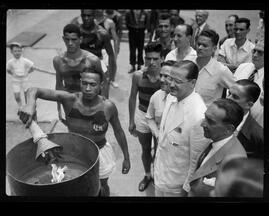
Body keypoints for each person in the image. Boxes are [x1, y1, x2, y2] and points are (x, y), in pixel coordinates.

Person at [18, 67, 131, 197]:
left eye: (93, 84)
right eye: (84, 83)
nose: (88, 88)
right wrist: (30, 104)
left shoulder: (108, 107)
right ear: (80, 82)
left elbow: (119, 132)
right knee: (77, 186)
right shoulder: (69, 99)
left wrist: (127, 158)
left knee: (102, 185)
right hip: (75, 152)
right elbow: (33, 90)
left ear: (101, 85)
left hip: (101, 153)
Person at [154, 60, 208, 197]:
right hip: (160, 173)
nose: (171, 84)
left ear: (192, 83)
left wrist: (187, 188)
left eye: (177, 81)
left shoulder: (198, 116)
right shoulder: (172, 97)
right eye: (170, 78)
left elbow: (196, 159)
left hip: (176, 185)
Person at [187, 98, 246, 197]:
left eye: (210, 121)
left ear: (228, 129)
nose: (202, 124)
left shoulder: (235, 163)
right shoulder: (216, 139)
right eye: (205, 117)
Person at [53, 24, 104, 123]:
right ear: (63, 39)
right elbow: (59, 85)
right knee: (73, 132)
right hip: (69, 102)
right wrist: (59, 107)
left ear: (80, 39)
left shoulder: (92, 60)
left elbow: (103, 84)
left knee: (91, 132)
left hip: (90, 102)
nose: (70, 43)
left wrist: (103, 107)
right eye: (67, 39)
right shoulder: (58, 60)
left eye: (74, 39)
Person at [128, 42, 162, 192]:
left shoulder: (166, 76)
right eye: (148, 58)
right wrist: (131, 121)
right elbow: (132, 97)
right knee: (146, 148)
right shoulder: (137, 76)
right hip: (142, 115)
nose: (152, 62)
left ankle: (158, 175)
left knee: (160, 149)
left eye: (155, 58)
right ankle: (148, 175)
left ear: (161, 58)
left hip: (160, 118)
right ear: (144, 58)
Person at [71, 9, 117, 92]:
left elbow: (111, 54)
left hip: (97, 69)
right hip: (81, 69)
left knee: (101, 99)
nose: (86, 18)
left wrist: (109, 75)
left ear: (94, 16)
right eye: (84, 15)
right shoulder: (77, 32)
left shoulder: (102, 33)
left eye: (89, 15)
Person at [195, 29, 235, 107]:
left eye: (204, 45)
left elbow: (237, 90)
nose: (200, 47)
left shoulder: (221, 70)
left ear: (214, 49)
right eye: (198, 44)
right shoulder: (189, 63)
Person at [145, 60, 175, 160]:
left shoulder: (182, 100)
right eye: (161, 75)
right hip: (159, 148)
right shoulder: (156, 96)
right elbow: (149, 117)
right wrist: (157, 134)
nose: (161, 79)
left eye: (166, 76)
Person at [6, 42, 50, 109]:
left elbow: (32, 67)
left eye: (19, 51)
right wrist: (13, 73)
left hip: (24, 80)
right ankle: (20, 106)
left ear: (22, 51)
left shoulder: (25, 60)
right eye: (15, 51)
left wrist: (27, 72)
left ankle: (28, 107)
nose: (17, 53)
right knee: (17, 96)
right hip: (15, 81)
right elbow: (8, 69)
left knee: (26, 94)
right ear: (11, 52)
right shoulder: (10, 62)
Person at [227, 79, 263, 159]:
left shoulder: (258, 137)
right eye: (229, 93)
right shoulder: (217, 116)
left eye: (235, 97)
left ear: (248, 105)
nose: (228, 98)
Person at [233, 40, 264, 127]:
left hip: (254, 125)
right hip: (231, 116)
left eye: (260, 52)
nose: (255, 55)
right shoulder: (243, 67)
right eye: (254, 51)